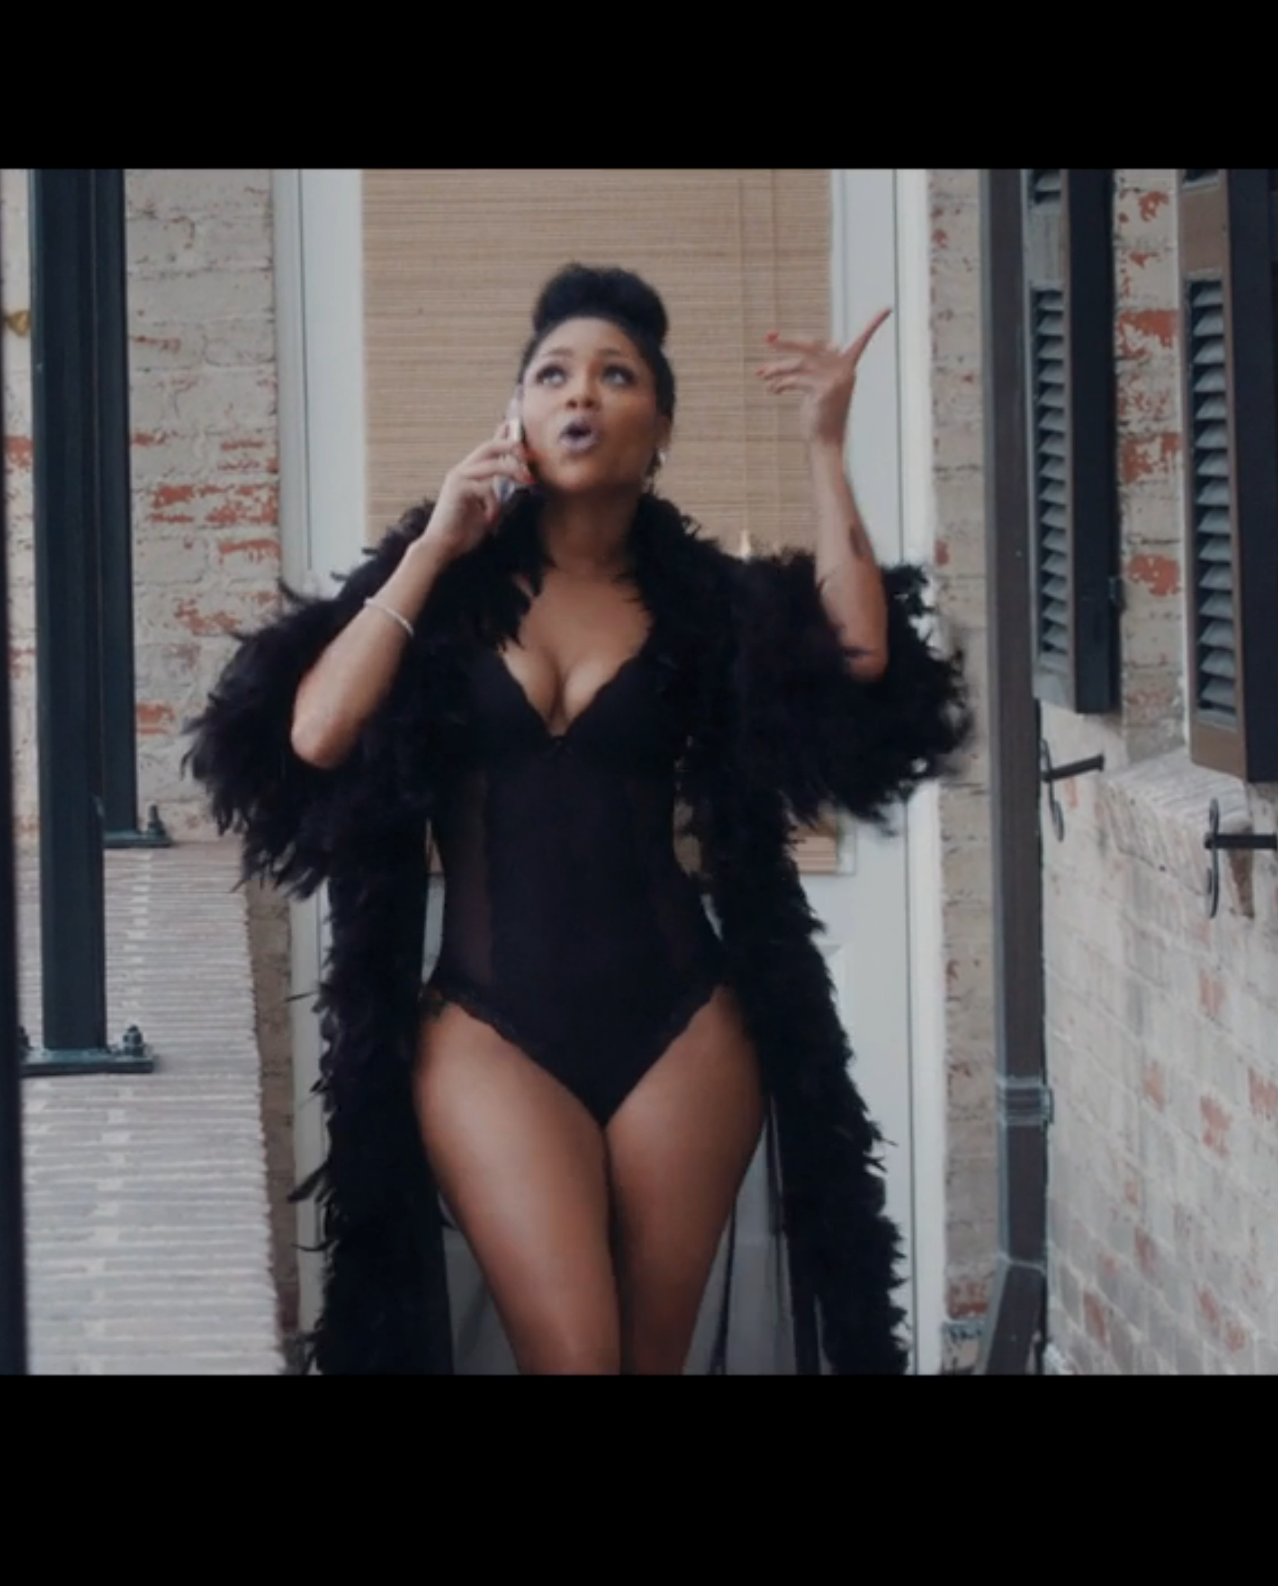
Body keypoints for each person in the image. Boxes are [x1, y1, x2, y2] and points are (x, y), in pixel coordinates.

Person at [184, 264, 972, 1374]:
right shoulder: (445, 587)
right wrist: (433, 547)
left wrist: (824, 444)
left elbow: (857, 654)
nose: (581, 394)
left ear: (659, 430)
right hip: (486, 1025)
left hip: (684, 1026)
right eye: (552, 374)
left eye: (616, 375)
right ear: (515, 415)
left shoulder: (702, 600)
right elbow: (314, 731)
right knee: (575, 1357)